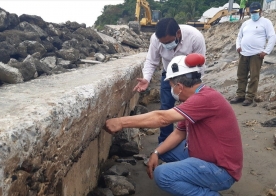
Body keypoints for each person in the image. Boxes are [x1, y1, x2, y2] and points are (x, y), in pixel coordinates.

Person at [104, 53, 243, 196]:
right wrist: (156, 153)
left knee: (162, 175)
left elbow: (161, 118)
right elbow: (179, 132)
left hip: (222, 171)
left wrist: (121, 122)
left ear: (179, 86)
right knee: (164, 149)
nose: (172, 91)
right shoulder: (197, 98)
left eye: (172, 86)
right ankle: (194, 177)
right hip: (206, 158)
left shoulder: (206, 98)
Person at [133, 18, 206, 143]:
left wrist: (195, 86)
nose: (167, 45)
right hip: (168, 75)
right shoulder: (156, 40)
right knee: (166, 109)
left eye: (169, 42)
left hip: (190, 76)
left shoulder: (194, 37)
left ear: (178, 33)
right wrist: (146, 78)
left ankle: (194, 140)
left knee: (192, 108)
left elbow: (200, 63)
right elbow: (152, 61)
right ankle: (165, 142)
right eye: (163, 43)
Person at [230, 2, 276, 106]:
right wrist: (238, 46)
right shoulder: (246, 23)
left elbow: (272, 37)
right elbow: (239, 36)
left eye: (255, 12)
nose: (253, 14)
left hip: (256, 54)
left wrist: (266, 51)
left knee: (254, 77)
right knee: (241, 75)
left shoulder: (266, 22)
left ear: (260, 11)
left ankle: (250, 97)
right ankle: (240, 95)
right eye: (251, 12)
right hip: (243, 53)